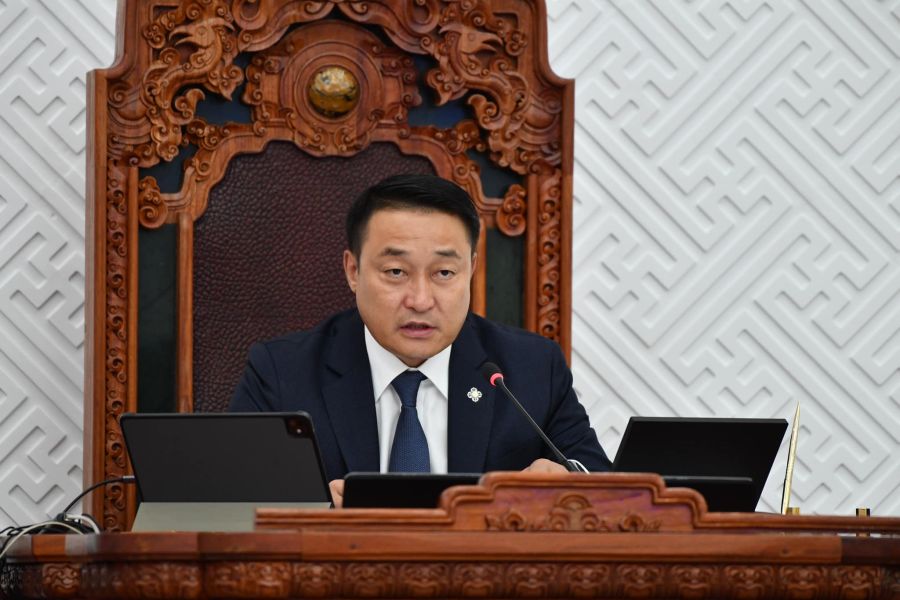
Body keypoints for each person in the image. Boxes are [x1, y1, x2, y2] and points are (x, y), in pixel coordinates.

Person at [230, 174, 610, 505]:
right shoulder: (281, 373)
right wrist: (312, 509)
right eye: (396, 271)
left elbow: (608, 490)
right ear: (353, 270)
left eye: (444, 272)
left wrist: (566, 483)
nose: (421, 300)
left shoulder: (530, 369)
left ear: (472, 270)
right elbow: (231, 499)